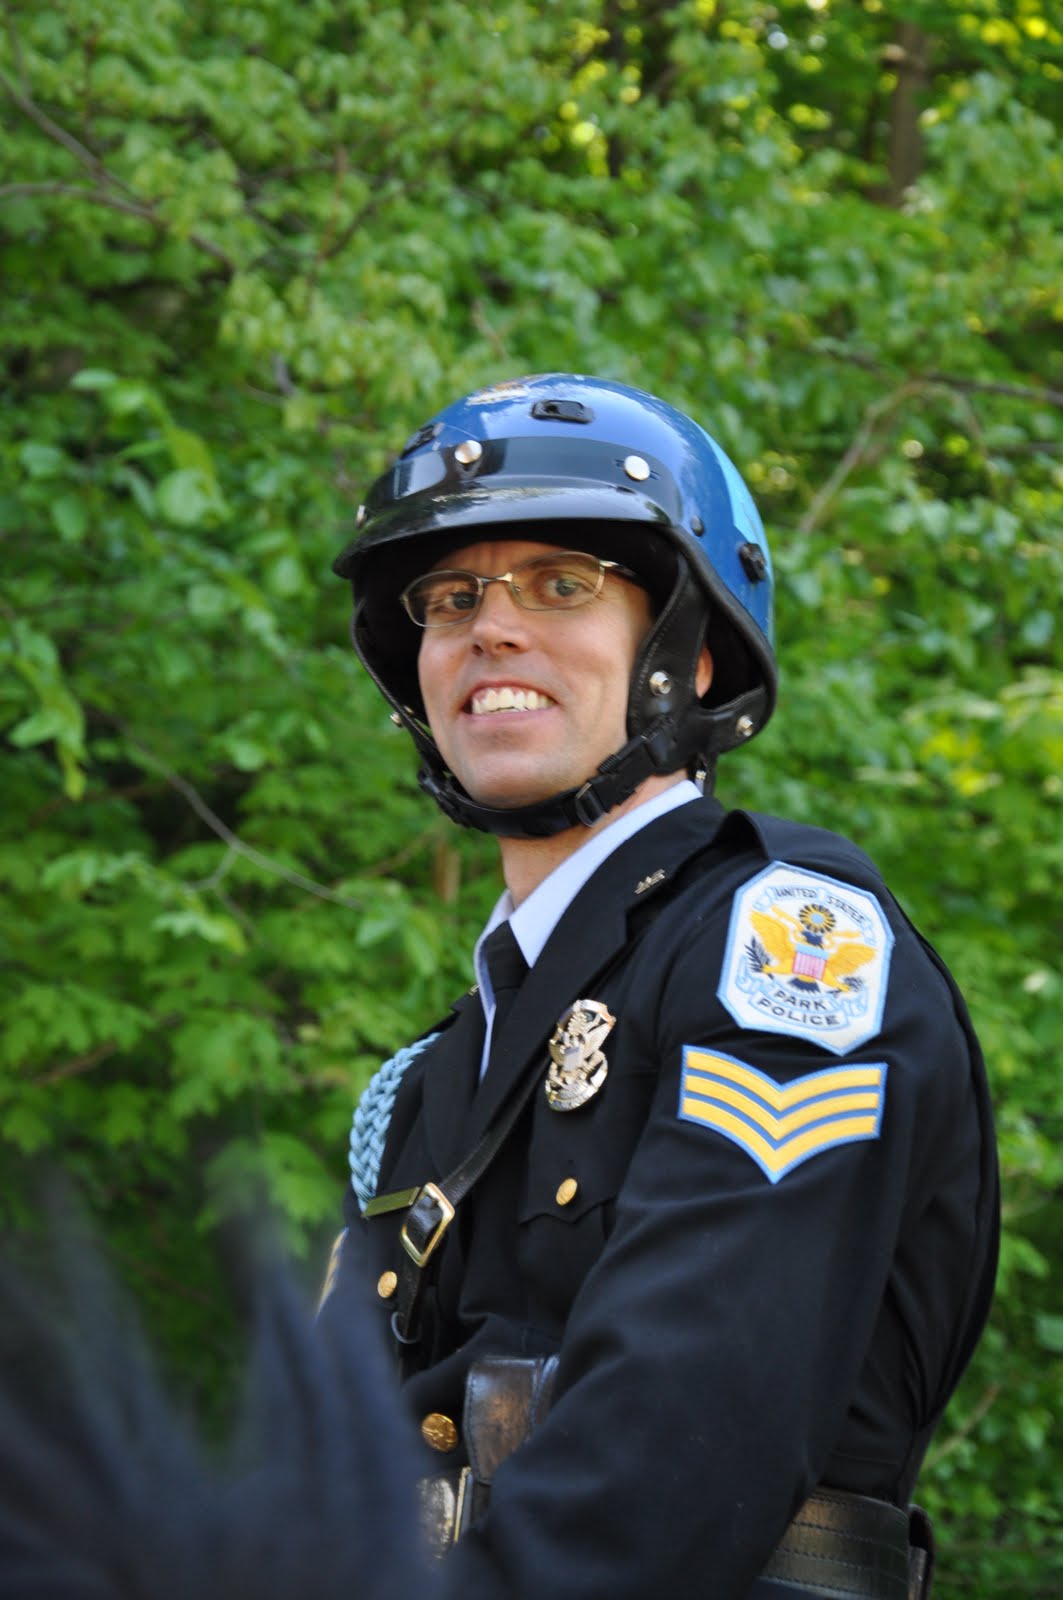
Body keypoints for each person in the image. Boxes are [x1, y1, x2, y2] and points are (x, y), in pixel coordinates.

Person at [324, 374, 999, 1600]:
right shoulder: (429, 1081)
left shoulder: (785, 951)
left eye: (562, 584)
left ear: (683, 657)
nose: (490, 627)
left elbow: (672, 1464)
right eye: (450, 596)